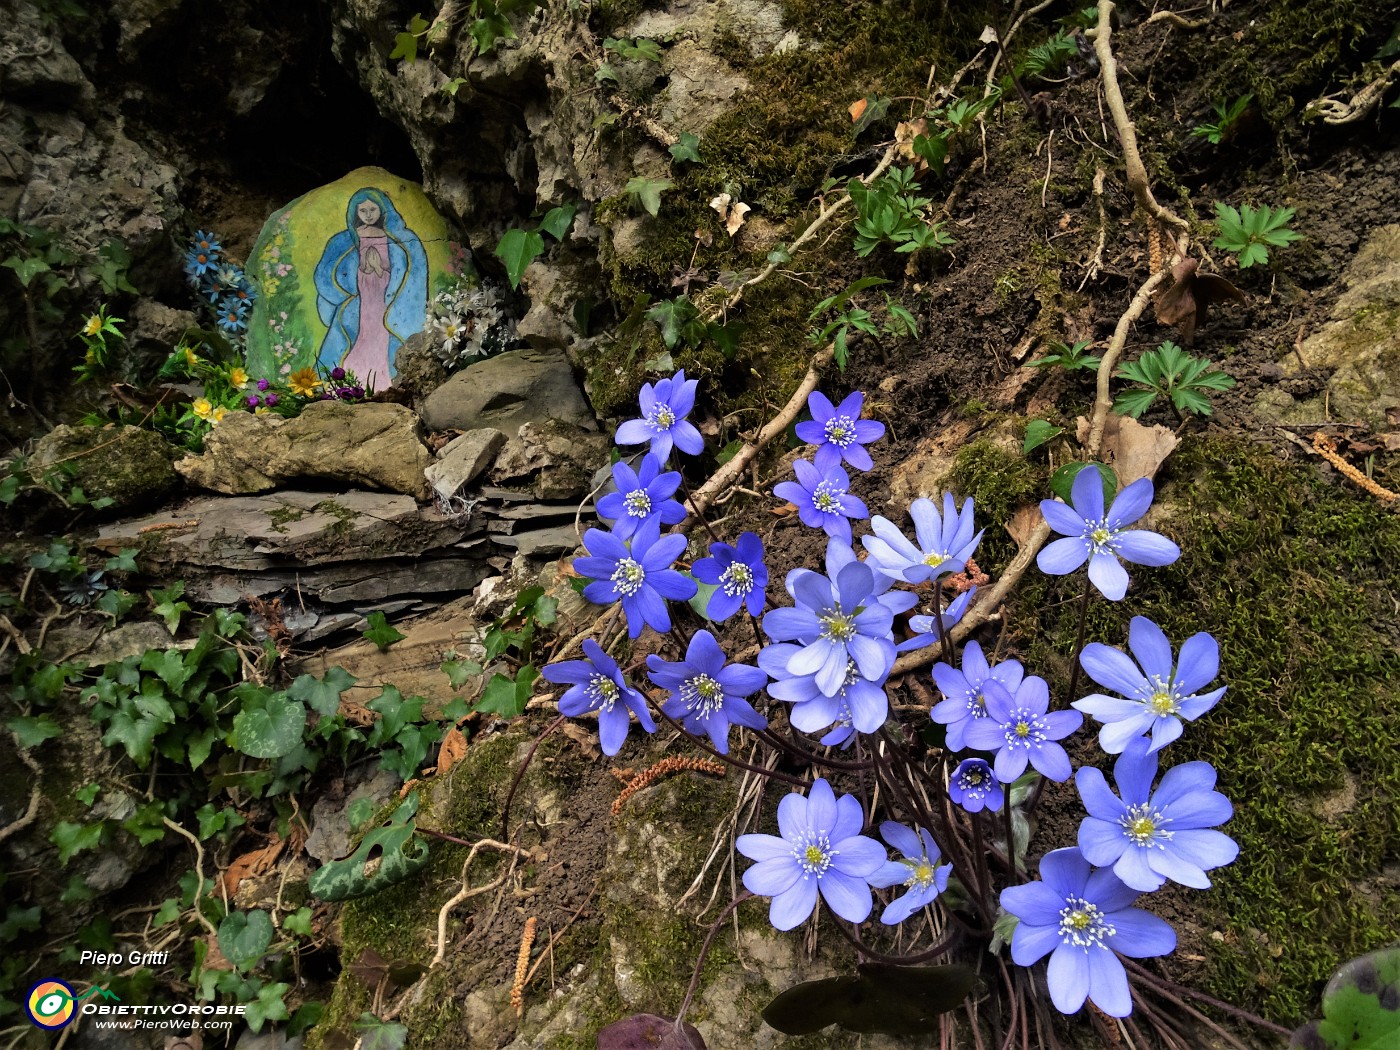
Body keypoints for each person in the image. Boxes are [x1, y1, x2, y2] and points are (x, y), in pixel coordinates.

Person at [313, 188, 429, 387]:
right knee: (355, 339)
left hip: (384, 300)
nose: (368, 215)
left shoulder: (398, 240)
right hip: (358, 302)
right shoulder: (344, 240)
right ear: (355, 213)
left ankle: (383, 382)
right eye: (362, 210)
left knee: (382, 337)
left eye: (372, 209)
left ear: (382, 211)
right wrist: (344, 296)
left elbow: (410, 270)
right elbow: (324, 273)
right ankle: (348, 384)